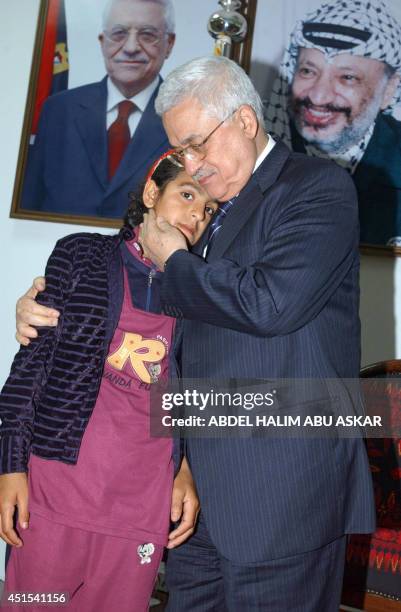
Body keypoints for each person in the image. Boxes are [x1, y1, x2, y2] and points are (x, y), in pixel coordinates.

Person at [16, 56, 376, 611]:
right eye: (181, 152)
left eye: (197, 143)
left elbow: (269, 304)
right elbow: (132, 300)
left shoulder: (316, 188)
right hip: (192, 494)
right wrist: (45, 302)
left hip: (281, 494)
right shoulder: (211, 213)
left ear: (246, 122)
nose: (193, 163)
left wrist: (174, 260)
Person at [0, 149, 220, 611]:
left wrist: (184, 468)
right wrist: (10, 466)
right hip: (55, 491)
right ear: (151, 192)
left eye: (208, 210)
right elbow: (30, 368)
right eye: (187, 194)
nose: (196, 215)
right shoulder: (81, 255)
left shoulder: (201, 292)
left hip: (140, 504)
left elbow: (195, 394)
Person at [21, 0, 175, 219]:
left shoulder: (182, 117)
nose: (131, 48)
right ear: (103, 42)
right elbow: (28, 204)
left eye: (147, 35)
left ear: (169, 44)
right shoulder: (58, 110)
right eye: (119, 33)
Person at [265, 0, 401, 247]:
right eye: (308, 71)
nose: (318, 96)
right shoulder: (257, 151)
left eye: (347, 78)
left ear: (389, 89)